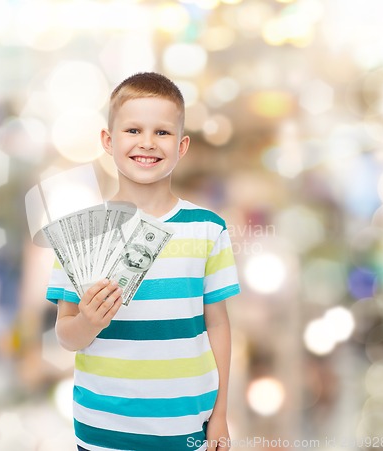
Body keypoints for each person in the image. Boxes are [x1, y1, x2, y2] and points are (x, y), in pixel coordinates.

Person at [45, 72, 240, 451]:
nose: (147, 143)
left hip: (187, 428)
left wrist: (219, 416)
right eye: (133, 130)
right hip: (102, 428)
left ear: (182, 146)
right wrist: (87, 322)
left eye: (162, 133)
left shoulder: (207, 228)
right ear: (108, 140)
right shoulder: (81, 233)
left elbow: (218, 324)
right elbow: (65, 336)